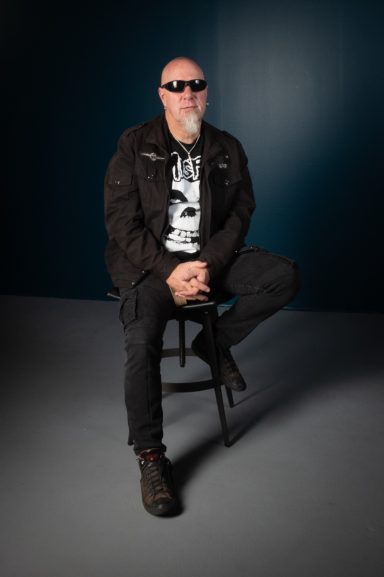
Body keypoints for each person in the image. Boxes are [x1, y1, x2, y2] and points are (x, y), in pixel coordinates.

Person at [104, 56, 300, 516]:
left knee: (283, 277)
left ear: (207, 92)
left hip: (211, 261)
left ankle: (212, 342)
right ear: (162, 95)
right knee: (140, 338)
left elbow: (239, 216)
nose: (186, 92)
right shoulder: (134, 145)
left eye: (196, 84)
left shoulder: (228, 148)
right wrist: (171, 271)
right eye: (176, 85)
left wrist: (207, 265)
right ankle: (152, 457)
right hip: (152, 268)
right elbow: (121, 223)